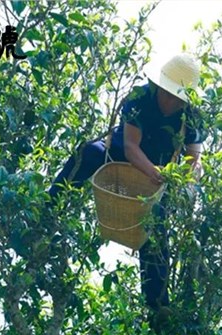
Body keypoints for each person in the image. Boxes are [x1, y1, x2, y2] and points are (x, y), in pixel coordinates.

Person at [48, 54, 204, 313]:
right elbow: (131, 146)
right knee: (87, 153)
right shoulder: (139, 99)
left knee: (156, 229)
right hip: (121, 154)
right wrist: (152, 171)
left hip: (161, 176)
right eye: (166, 93)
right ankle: (45, 215)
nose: (169, 101)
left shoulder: (193, 116)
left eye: (177, 97)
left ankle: (157, 309)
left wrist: (181, 179)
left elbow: (193, 158)